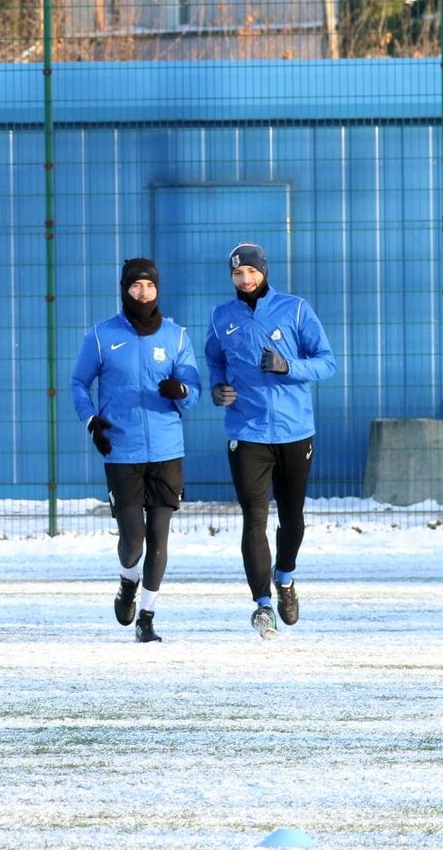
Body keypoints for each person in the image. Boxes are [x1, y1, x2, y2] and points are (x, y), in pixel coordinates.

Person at [204, 242, 337, 639]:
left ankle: (286, 579)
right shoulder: (220, 317)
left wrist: (287, 366)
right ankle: (262, 605)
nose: (245, 280)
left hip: (295, 432)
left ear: (264, 271)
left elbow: (327, 362)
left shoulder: (295, 309)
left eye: (251, 272)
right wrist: (217, 388)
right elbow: (214, 361)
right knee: (254, 519)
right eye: (237, 274)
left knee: (292, 517)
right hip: (247, 433)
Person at [70, 258, 200, 642]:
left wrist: (182, 391)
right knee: (133, 542)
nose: (143, 292)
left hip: (166, 449)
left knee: (159, 535)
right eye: (136, 286)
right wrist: (91, 421)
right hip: (122, 450)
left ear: (158, 290)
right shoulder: (101, 335)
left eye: (149, 286)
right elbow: (79, 383)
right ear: (125, 289)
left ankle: (147, 615)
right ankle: (128, 580)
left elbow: (193, 391)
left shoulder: (176, 337)